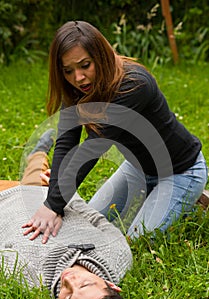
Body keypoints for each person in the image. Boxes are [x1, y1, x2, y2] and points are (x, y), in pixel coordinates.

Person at [22, 20, 208, 243]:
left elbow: (92, 148)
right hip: (138, 168)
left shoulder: (133, 85)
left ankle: (191, 199)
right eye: (68, 71)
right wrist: (54, 200)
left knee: (136, 242)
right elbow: (66, 142)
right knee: (89, 225)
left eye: (85, 65)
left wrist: (53, 204)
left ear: (100, 56)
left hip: (180, 171)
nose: (78, 78)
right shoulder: (75, 89)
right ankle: (170, 199)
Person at [0, 129, 139, 299]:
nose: (69, 281)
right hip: (44, 192)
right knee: (38, 170)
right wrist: (65, 193)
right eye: (84, 284)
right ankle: (38, 152)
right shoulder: (116, 253)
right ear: (112, 286)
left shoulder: (30, 280)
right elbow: (95, 218)